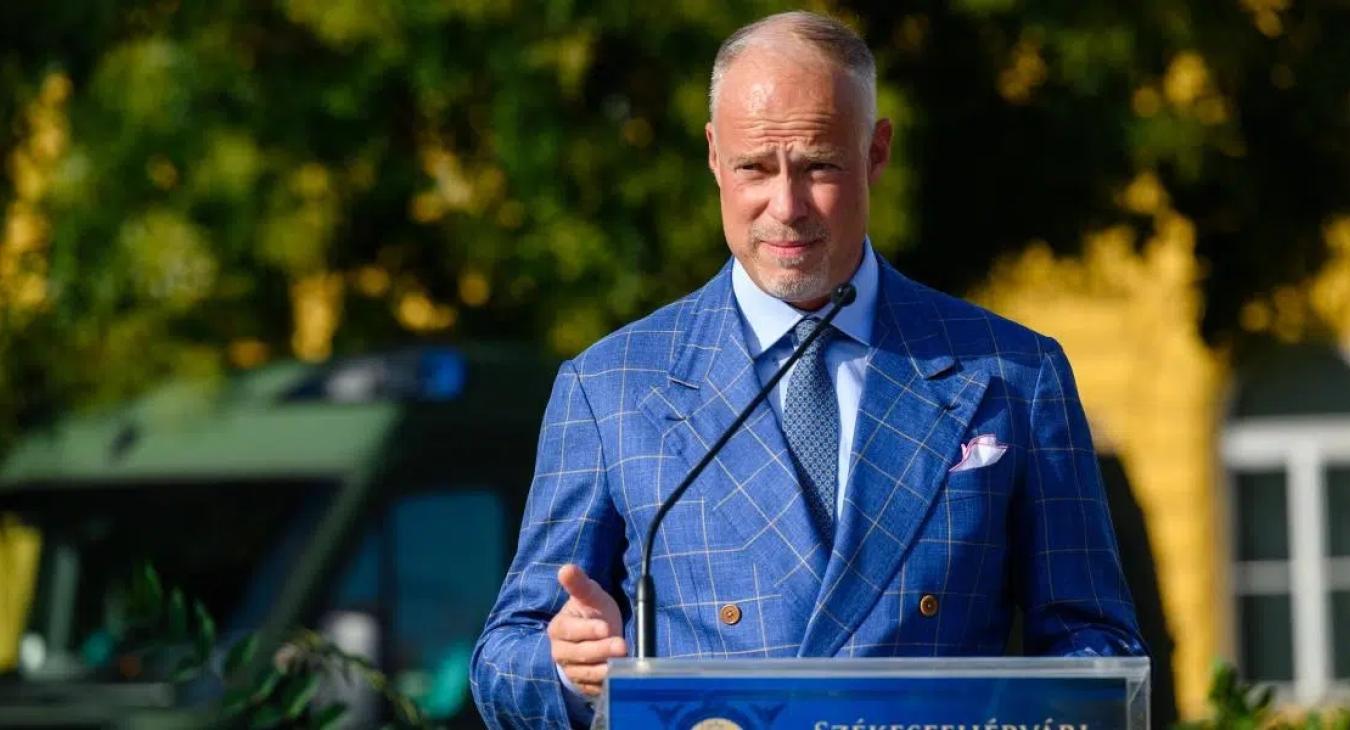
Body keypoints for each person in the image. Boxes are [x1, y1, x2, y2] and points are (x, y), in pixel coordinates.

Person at [470, 11, 1145, 729]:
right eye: (754, 168)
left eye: (819, 165)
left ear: (876, 152)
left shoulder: (1013, 374)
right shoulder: (611, 387)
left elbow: (1095, 644)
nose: (786, 207)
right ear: (713, 155)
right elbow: (503, 659)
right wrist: (567, 665)